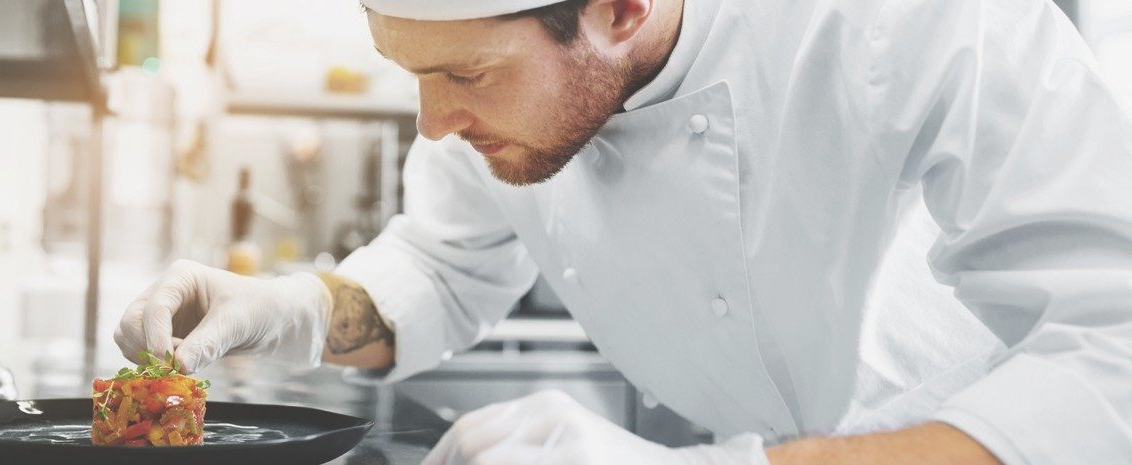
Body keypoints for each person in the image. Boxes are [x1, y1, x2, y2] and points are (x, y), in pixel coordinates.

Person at [115, 0, 1132, 463]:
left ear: (622, 9)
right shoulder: (489, 108)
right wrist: (290, 310)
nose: (433, 122)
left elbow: (1114, 359)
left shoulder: (908, 23)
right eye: (412, 72)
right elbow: (442, 265)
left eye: (466, 74)